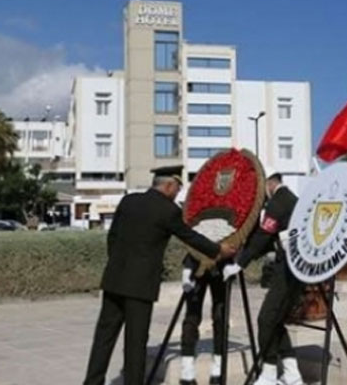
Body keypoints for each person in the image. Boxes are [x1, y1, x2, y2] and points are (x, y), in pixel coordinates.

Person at [83, 165, 237, 385]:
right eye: (177, 189)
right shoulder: (168, 210)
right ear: (168, 185)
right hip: (140, 286)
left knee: (104, 337)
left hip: (114, 280)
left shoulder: (129, 201)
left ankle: (92, 382)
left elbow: (113, 238)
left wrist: (118, 266)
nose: (176, 194)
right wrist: (218, 250)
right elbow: (189, 236)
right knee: (135, 342)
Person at [223, 171, 304, 385]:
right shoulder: (292, 200)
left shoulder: (278, 202)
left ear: (269, 183)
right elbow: (270, 240)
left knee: (265, 319)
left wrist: (240, 263)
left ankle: (268, 374)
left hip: (288, 269)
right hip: (294, 268)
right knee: (275, 320)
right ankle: (292, 374)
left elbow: (263, 235)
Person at [178, 254, 227, 385]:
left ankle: (218, 368)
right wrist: (188, 267)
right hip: (196, 262)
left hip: (221, 263)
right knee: (192, 315)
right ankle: (186, 371)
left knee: (220, 316)